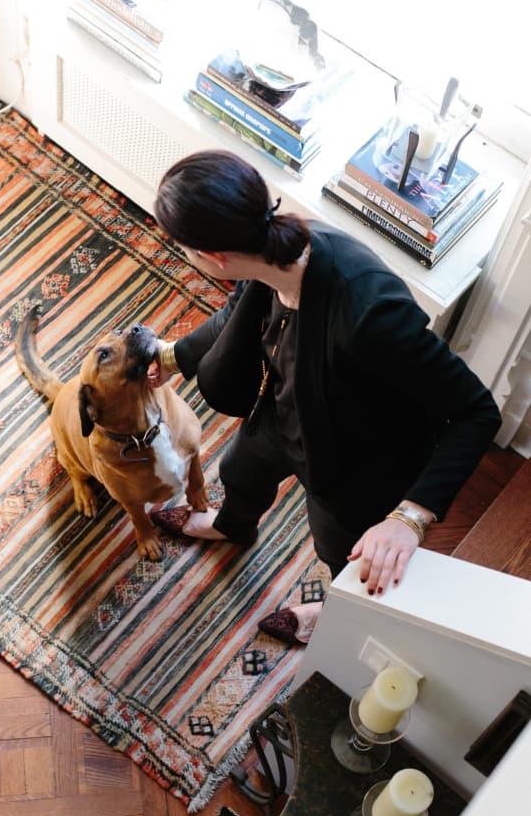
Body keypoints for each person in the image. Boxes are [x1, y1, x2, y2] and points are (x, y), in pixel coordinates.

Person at [147, 149, 501, 644]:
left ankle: (336, 611)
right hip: (280, 411)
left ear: (213, 258)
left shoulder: (370, 312)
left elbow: (476, 412)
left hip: (352, 458)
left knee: (341, 551)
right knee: (239, 471)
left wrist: (408, 518)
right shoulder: (271, 252)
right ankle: (232, 526)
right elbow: (237, 314)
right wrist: (170, 359)